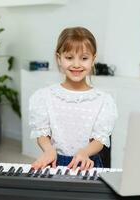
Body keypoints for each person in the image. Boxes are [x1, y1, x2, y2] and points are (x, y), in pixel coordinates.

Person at [29, 27, 117, 171]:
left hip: (87, 164)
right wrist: (48, 150)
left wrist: (84, 152)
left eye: (84, 58)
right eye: (69, 58)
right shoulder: (44, 96)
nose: (76, 64)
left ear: (93, 60)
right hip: (54, 162)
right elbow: (42, 132)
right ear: (59, 58)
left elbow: (100, 140)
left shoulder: (103, 101)